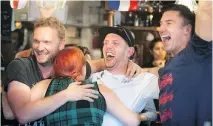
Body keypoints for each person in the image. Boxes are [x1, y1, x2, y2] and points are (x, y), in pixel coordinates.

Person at [3, 17, 141, 126]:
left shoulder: (71, 67)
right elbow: (22, 115)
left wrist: (129, 64)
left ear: (61, 44)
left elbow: (102, 63)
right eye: (36, 41)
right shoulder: (20, 66)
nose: (40, 47)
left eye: (47, 42)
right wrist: (66, 95)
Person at [89, 25, 159, 126]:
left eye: (115, 43)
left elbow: (178, 78)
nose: (108, 46)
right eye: (105, 43)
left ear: (129, 52)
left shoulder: (143, 80)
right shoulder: (92, 78)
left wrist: (145, 70)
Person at [158, 1, 212, 126]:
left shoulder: (197, 52)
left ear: (187, 29)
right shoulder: (172, 63)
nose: (161, 29)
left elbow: (207, 9)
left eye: (169, 23)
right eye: (161, 24)